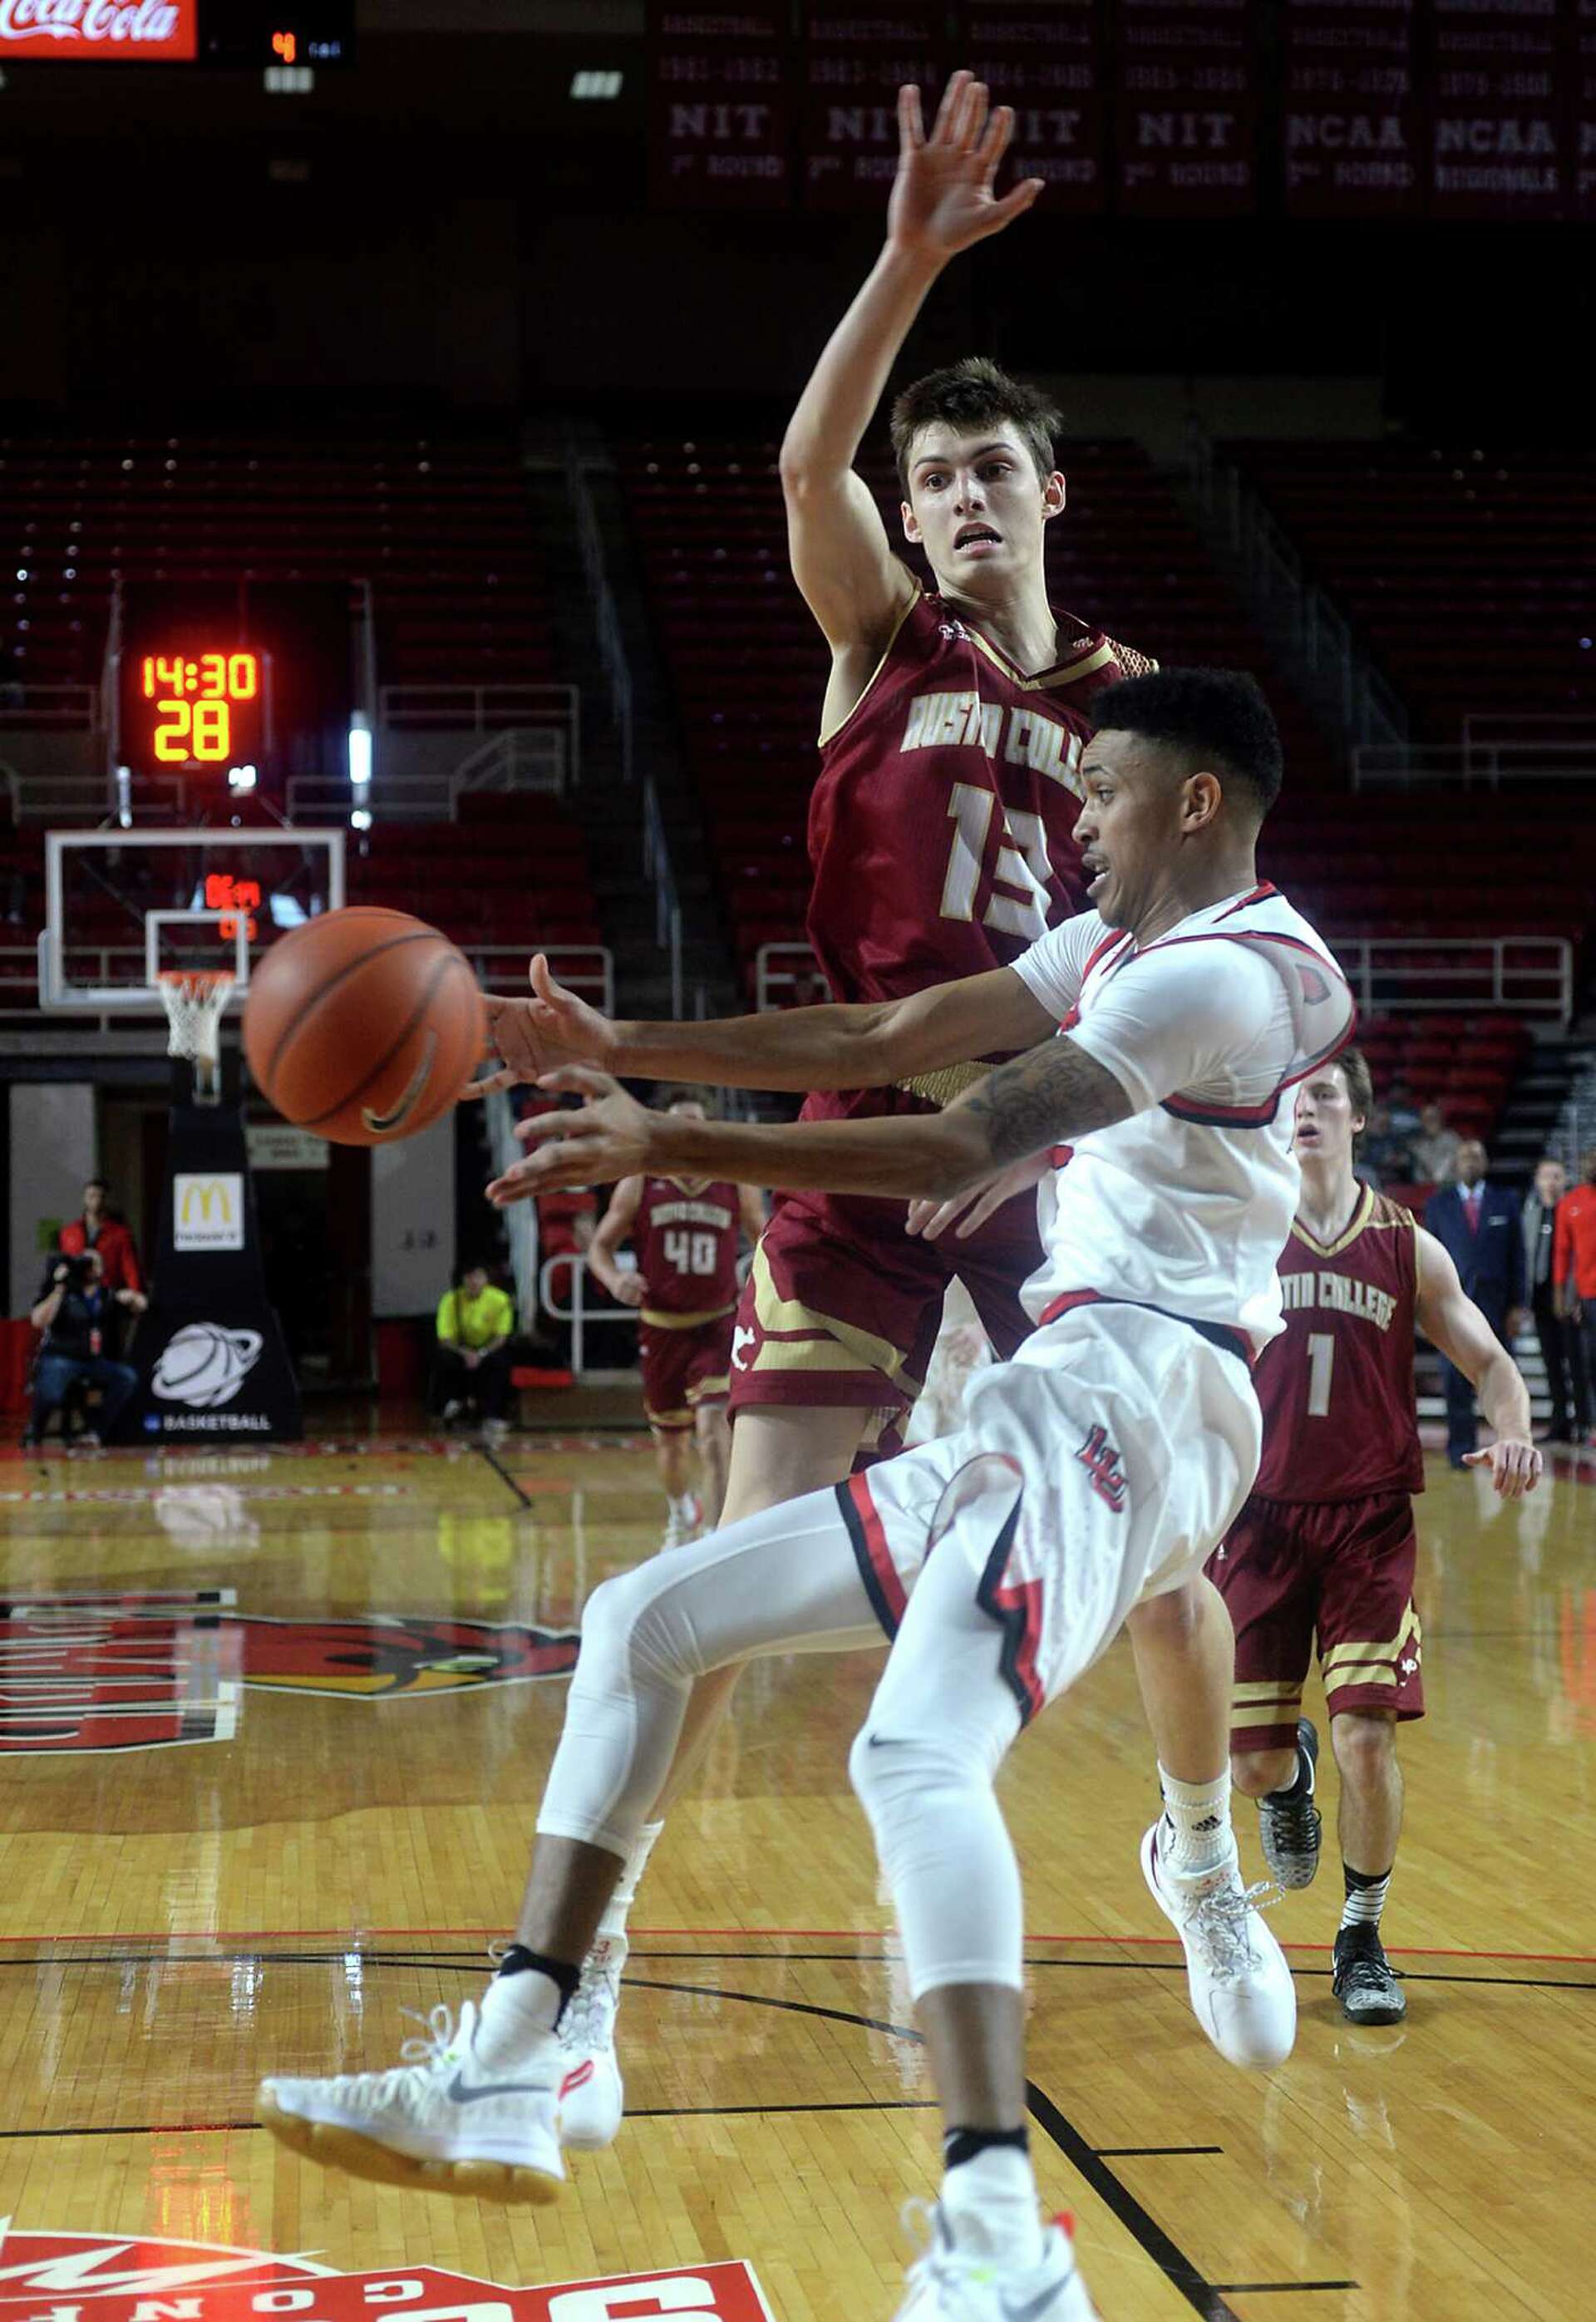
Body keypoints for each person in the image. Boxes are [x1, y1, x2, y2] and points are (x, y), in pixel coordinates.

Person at [260, 669, 1343, 2322]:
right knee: (647, 1613)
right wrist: (615, 1041)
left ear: (1198, 803)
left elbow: (952, 1136)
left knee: (913, 1748)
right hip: (1052, 1396)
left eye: (1105, 792)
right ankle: (520, 2055)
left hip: (1152, 1396)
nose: (1078, 819)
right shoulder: (1118, 949)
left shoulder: (1232, 981)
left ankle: (1002, 2241)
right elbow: (888, 1042)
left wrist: (671, 1136)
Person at [467, 71, 1154, 2115]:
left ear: (1050, 494)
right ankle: (573, 1992)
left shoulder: (1133, 707)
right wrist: (907, 255)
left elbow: (1139, 967)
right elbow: (798, 464)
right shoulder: (882, 643)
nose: (949, 497)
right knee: (712, 1587)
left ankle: (1198, 1844)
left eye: (983, 472)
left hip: (1047, 1149)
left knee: (1187, 1563)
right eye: (929, 471)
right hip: (864, 1147)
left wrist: (1044, 1126)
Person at [1211, 1049, 1540, 2030]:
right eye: (1292, 1100)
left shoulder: (1405, 1244)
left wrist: (1513, 1430)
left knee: (1367, 1733)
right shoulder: (1240, 1236)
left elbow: (1488, 1359)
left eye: (1324, 1098)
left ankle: (1361, 1938)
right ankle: (1290, 1774)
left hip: (1368, 1524)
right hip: (1257, 1522)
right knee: (1253, 1769)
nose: (1305, 1111)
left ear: (1358, 1122)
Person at [586, 1087, 767, 1546]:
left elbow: (765, 1238)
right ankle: (679, 1510)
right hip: (662, 1329)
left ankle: (713, 1540)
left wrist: (762, 1283)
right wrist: (614, 1281)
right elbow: (599, 1248)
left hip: (717, 1325)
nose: (686, 1130)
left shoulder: (734, 1178)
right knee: (671, 1449)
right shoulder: (641, 1179)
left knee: (713, 1434)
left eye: (694, 1121)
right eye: (676, 1121)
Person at [1421, 1141, 1525, 1467]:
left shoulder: (1505, 1201)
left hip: (1497, 1307)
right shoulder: (1438, 1205)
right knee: (1455, 1383)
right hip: (1452, 1307)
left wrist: (1518, 1305)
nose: (1470, 1161)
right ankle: (1460, 1453)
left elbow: (1518, 1256)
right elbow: (1427, 1259)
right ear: (1456, 1163)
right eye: (1465, 1156)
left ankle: (1507, 1448)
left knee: (1500, 1376)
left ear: (1485, 1162)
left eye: (1477, 1156)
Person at [25, 1246, 144, 1448]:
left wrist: (134, 1298)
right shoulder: (62, 1290)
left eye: (94, 1263)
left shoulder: (106, 1295)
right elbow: (38, 1320)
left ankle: (95, 1431)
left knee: (127, 1377)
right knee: (52, 1390)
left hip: (92, 1360)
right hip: (60, 1356)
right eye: (85, 1263)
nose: (90, 1268)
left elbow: (140, 1306)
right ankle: (35, 1429)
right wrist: (59, 1287)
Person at [1524, 1156, 1586, 1444]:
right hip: (1540, 1297)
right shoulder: (1531, 1211)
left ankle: (1584, 1422)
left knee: (1577, 1362)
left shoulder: (1573, 1209)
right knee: (1551, 1363)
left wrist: (1574, 1297)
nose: (1551, 1182)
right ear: (1537, 1181)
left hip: (1570, 1298)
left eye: (1557, 1176)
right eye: (1546, 1176)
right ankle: (1560, 1420)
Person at [58, 1176, 143, 1355]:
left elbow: (129, 1267)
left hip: (105, 1296)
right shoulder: (70, 1232)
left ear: (106, 1199)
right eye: (91, 1196)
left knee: (108, 1346)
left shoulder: (119, 1234)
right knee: (75, 1345)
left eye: (100, 1196)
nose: (96, 1201)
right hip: (76, 1296)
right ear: (85, 1198)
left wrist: (134, 1293)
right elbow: (63, 1264)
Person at [434, 1263, 515, 1442]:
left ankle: (492, 1415)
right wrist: (465, 1353)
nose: (474, 1282)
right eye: (469, 1277)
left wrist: (482, 1354)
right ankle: (450, 1405)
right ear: (463, 1279)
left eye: (478, 1276)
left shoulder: (500, 1300)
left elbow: (501, 1337)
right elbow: (444, 1338)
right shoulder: (451, 1300)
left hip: (487, 1348)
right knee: (444, 1358)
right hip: (460, 1348)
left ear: (486, 1279)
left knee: (500, 1362)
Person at [1554, 1147, 1596, 1442]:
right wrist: (1560, 1294)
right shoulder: (1569, 1203)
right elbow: (1562, 1253)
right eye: (1589, 1159)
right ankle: (1590, 1425)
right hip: (1588, 1295)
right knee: (1589, 1361)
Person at [1357, 1099, 1415, 1190]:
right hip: (1370, 1181)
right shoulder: (1360, 1140)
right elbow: (1361, 1160)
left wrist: (1402, 1160)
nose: (1384, 1129)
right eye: (1380, 1124)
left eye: (1386, 1125)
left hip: (1394, 1181)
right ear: (1369, 1122)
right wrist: (1383, 1159)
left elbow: (1406, 1160)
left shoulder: (1395, 1139)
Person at [1407, 1099, 1460, 1187]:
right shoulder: (1419, 1144)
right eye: (1426, 1119)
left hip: (1448, 1189)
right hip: (1422, 1190)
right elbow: (1418, 1178)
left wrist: (1418, 1153)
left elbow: (1439, 1177)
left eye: (1433, 1118)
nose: (1430, 1122)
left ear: (1441, 1119)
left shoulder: (1452, 1140)